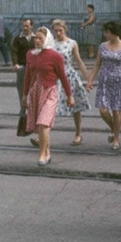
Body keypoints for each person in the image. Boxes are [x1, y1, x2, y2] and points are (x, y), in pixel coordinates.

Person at [21, 27, 73, 166]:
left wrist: (69, 96)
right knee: (40, 128)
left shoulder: (55, 56)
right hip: (35, 92)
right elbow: (27, 76)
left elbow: (63, 77)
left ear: (47, 39)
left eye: (40, 38)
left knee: (43, 124)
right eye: (35, 38)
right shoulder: (30, 54)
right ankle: (47, 152)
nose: (37, 41)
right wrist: (24, 95)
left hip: (50, 92)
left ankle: (42, 154)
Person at [87, 20, 121, 152]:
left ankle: (116, 138)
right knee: (103, 110)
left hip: (119, 81)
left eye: (107, 32)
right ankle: (115, 129)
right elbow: (97, 64)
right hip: (105, 80)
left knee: (116, 110)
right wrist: (90, 80)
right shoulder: (102, 46)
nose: (105, 34)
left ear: (115, 33)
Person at [51, 18, 91, 146]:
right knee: (50, 107)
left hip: (69, 76)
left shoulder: (72, 43)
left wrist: (88, 78)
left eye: (60, 31)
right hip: (55, 78)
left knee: (75, 107)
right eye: (55, 31)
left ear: (65, 30)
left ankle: (78, 133)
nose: (58, 33)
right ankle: (42, 135)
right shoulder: (51, 44)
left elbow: (79, 61)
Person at [10, 18, 38, 147]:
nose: (25, 28)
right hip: (22, 67)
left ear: (32, 26)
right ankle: (23, 110)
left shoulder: (35, 38)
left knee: (34, 89)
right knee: (22, 89)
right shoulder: (18, 39)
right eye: (23, 26)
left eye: (27, 26)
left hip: (34, 68)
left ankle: (32, 109)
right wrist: (15, 64)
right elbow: (14, 51)